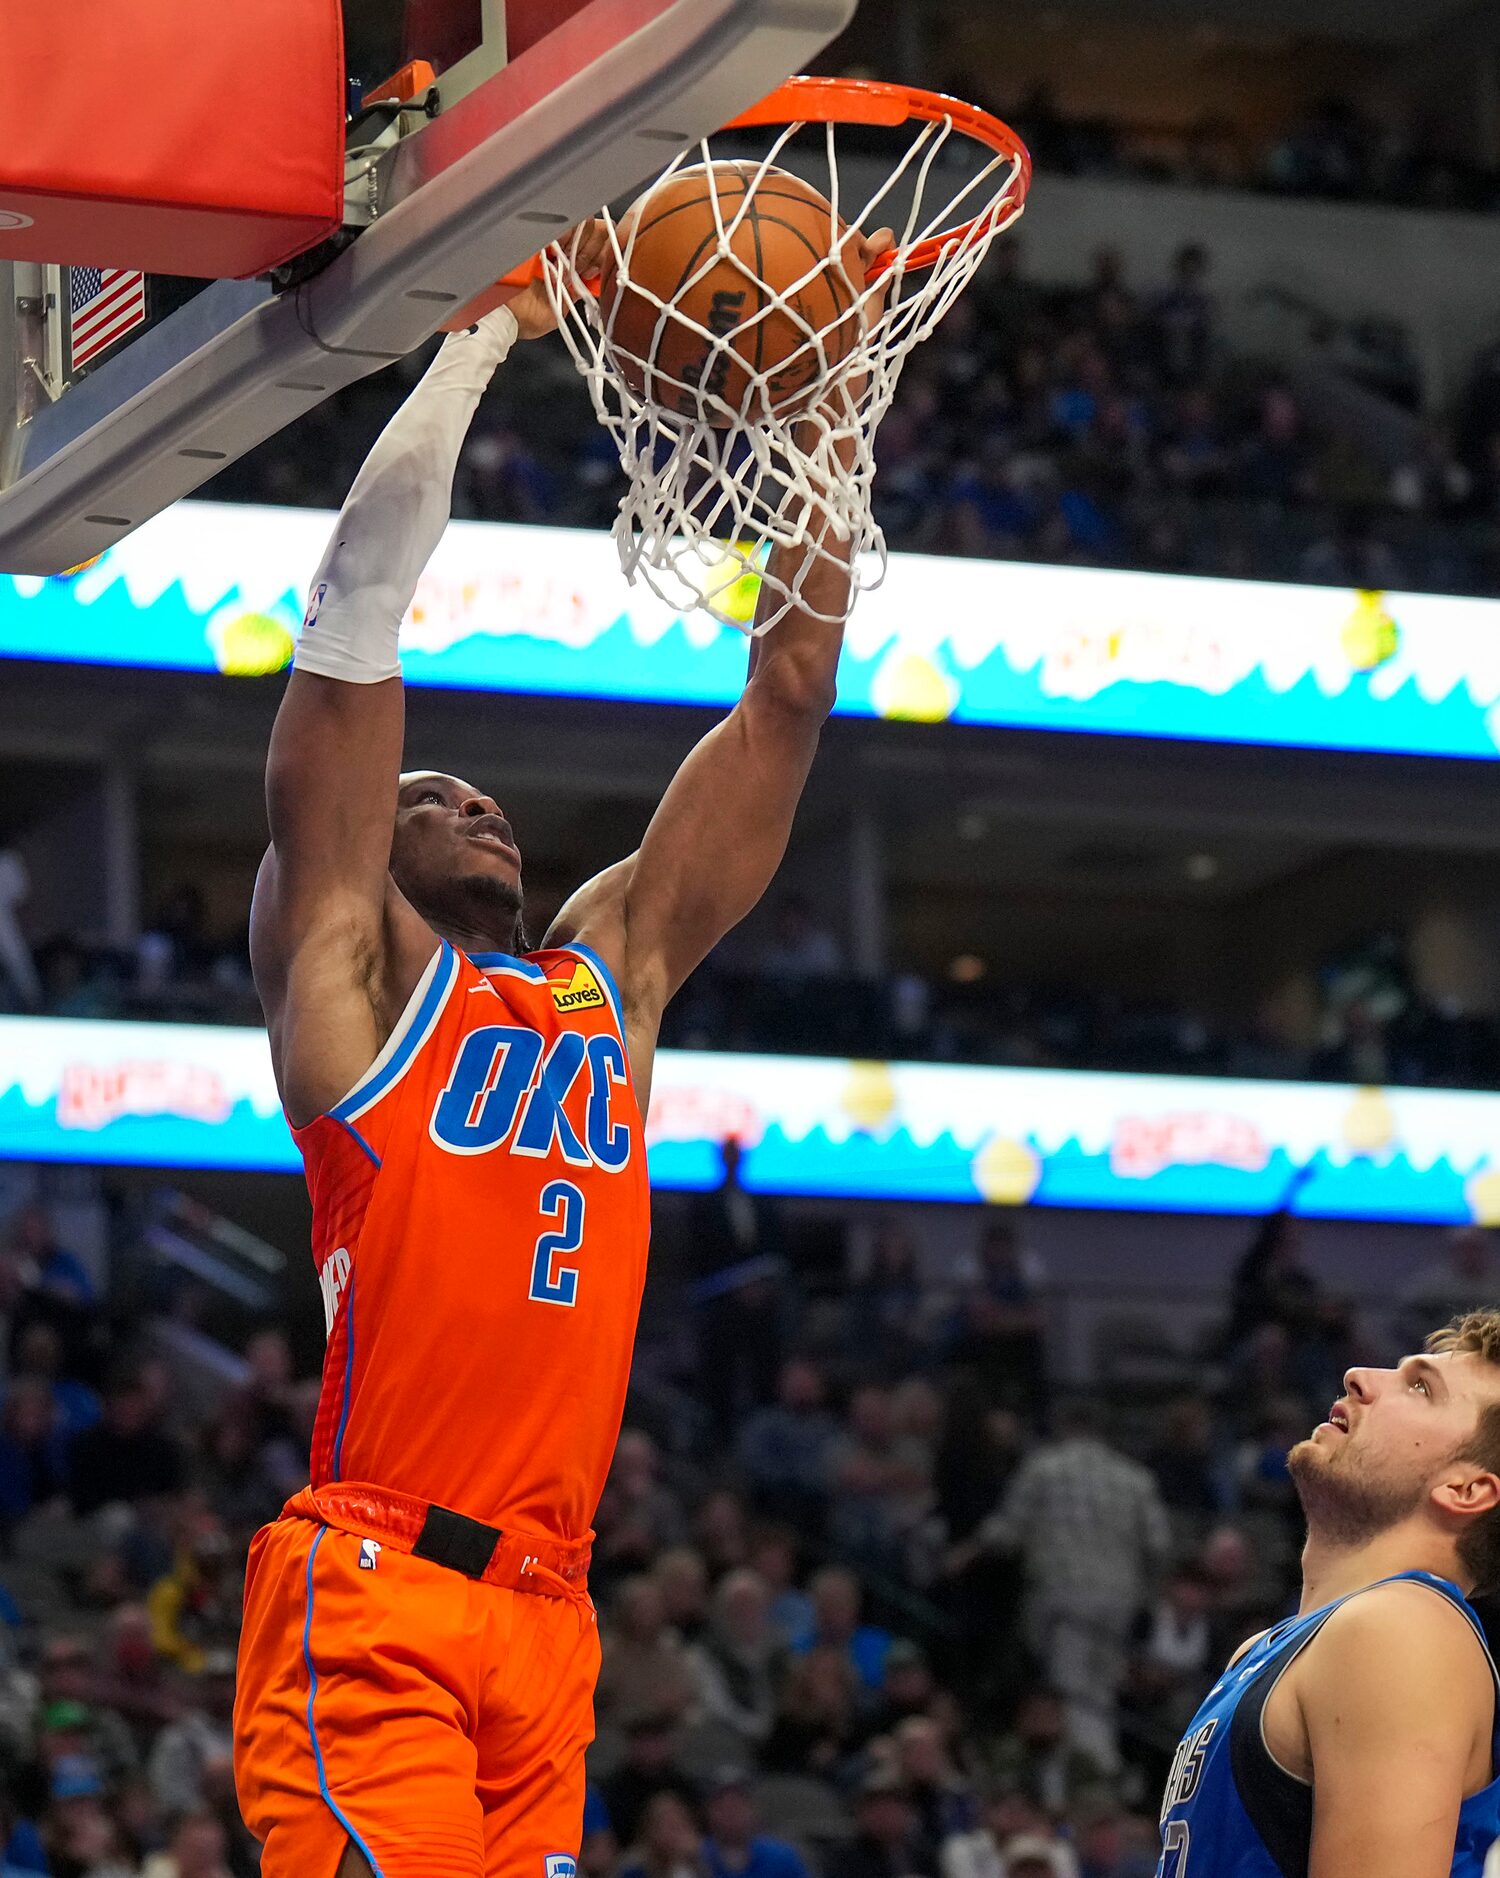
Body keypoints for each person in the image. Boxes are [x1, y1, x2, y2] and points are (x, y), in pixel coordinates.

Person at [232, 215, 895, 1878]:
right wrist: (478, 342)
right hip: (374, 1589)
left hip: (548, 1615)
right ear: (355, 859)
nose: (470, 795)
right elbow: (350, 626)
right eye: (423, 792)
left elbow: (789, 696)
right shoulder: (353, 985)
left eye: (484, 789)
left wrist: (821, 410)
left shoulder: (613, 979)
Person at [1157, 1312, 1500, 1874]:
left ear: (1465, 1489)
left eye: (1420, 1387)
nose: (1360, 1377)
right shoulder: (1275, 1646)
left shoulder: (1402, 1629)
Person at [699, 1769, 809, 1878]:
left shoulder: (781, 1857)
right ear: (708, 1812)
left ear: (754, 1811)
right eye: (722, 1807)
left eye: (738, 1806)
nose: (731, 1814)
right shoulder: (698, 1856)